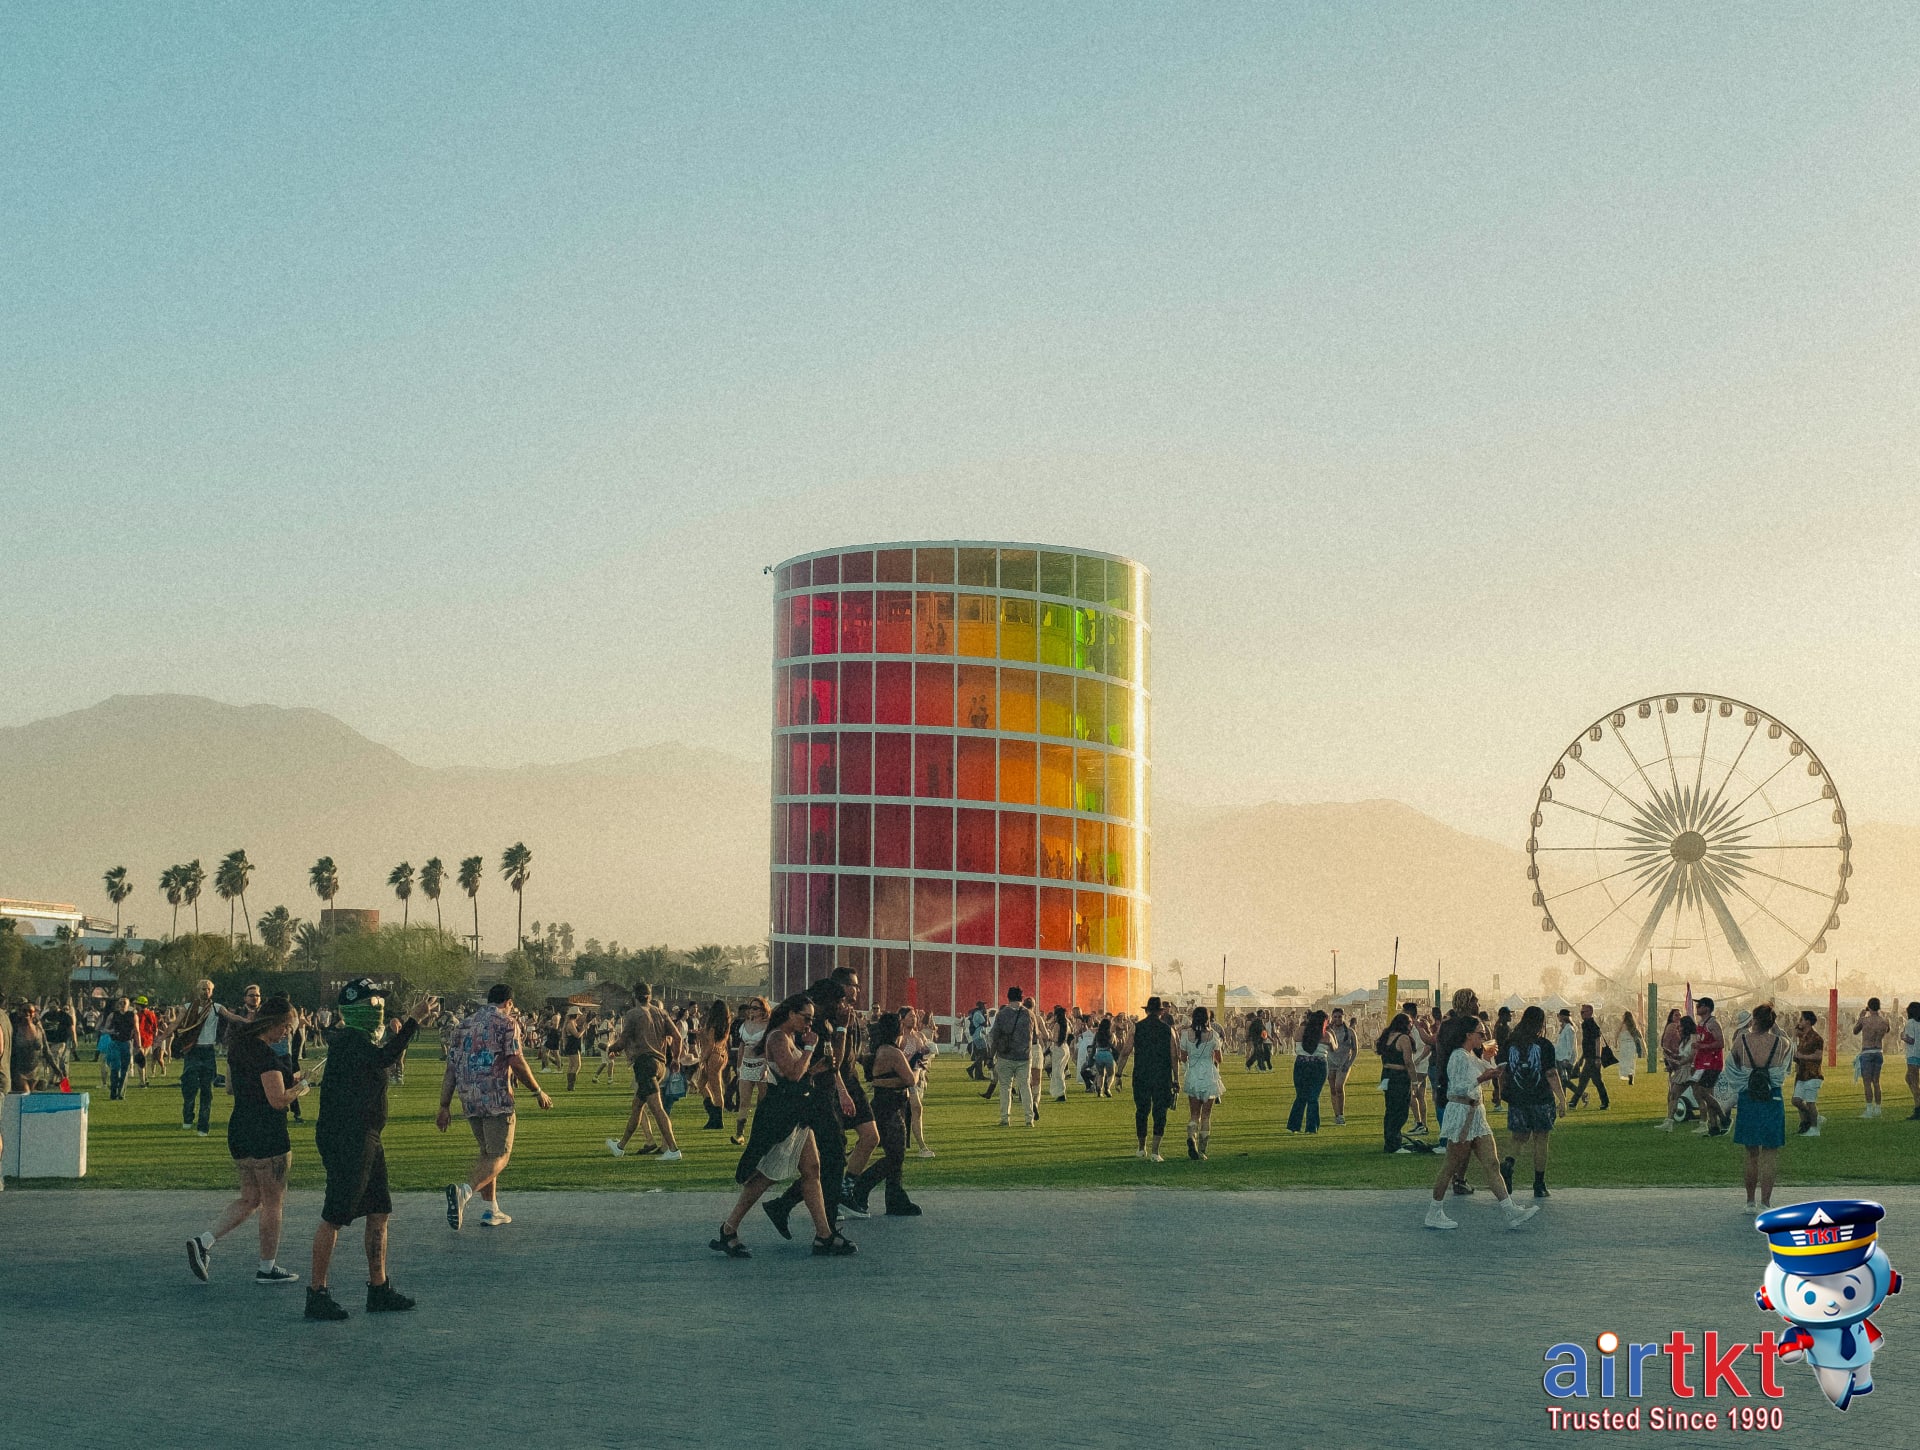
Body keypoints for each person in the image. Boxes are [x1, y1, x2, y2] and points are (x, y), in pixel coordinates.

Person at [304, 979, 437, 1322]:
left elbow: (384, 1057)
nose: (378, 1008)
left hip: (368, 1135)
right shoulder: (349, 1040)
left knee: (379, 1211)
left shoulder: (359, 1040)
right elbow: (385, 1058)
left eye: (380, 1002)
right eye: (372, 1002)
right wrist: (412, 1022)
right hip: (347, 1136)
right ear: (354, 1008)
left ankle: (378, 1289)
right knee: (334, 1215)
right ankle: (316, 1293)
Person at [709, 994, 853, 1258]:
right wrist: (810, 1049)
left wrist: (817, 1069)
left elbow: (798, 1075)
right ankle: (728, 1228)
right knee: (765, 1176)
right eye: (805, 1018)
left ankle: (824, 1235)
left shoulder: (787, 1038)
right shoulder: (777, 1037)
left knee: (812, 1169)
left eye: (811, 1019)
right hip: (781, 1115)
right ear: (790, 1014)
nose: (809, 1025)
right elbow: (792, 1073)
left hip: (796, 1112)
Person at [186, 995, 308, 1286]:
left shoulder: (238, 1048)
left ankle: (204, 1242)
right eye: (286, 1027)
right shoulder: (265, 1054)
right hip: (267, 1131)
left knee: (250, 1197)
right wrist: (300, 1089)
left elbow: (230, 1087)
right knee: (273, 1202)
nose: (287, 1033)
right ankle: (267, 1266)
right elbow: (277, 1100)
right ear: (275, 1023)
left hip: (239, 1128)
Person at [439, 983, 553, 1231]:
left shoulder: (463, 1025)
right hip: (496, 1096)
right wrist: (537, 1090)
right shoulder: (507, 1022)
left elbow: (450, 1068)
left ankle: (492, 1210)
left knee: (487, 1153)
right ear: (509, 1002)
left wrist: (444, 1105)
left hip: (469, 1097)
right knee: (501, 1155)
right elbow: (515, 1059)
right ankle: (465, 1192)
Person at [760, 977, 858, 1242]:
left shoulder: (820, 1023)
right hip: (810, 1099)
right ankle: (822, 1227)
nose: (843, 1006)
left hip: (818, 1095)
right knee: (830, 1159)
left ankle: (808, 1221)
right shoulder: (808, 1028)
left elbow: (833, 1063)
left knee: (818, 1164)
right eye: (840, 1001)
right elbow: (804, 1069)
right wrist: (840, 1030)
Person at [1424, 1017, 1540, 1231]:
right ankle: (1434, 1211)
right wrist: (1481, 1077)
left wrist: (1489, 1061)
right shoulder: (1458, 1056)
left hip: (1477, 1113)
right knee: (1451, 1164)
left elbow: (1487, 1074)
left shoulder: (1470, 1056)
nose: (1484, 1037)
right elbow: (1458, 1087)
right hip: (1462, 1113)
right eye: (1481, 1034)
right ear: (1469, 1035)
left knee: (1492, 1163)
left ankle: (1510, 1210)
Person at [846, 1012, 921, 1217]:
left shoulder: (881, 1049)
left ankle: (895, 1197)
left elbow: (881, 1079)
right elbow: (910, 1079)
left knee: (895, 1153)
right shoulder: (892, 1052)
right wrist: (918, 1066)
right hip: (890, 1106)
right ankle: (861, 1186)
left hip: (886, 1102)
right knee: (896, 1156)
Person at [606, 983, 684, 1161]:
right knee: (637, 1106)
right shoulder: (661, 1013)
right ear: (649, 996)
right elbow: (678, 1037)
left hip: (644, 1063)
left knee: (657, 1108)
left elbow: (623, 1041)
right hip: (660, 1064)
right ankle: (620, 1146)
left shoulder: (633, 1014)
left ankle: (673, 1149)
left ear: (634, 996)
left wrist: (611, 1048)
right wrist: (676, 1059)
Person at [1496, 1006, 1564, 1199]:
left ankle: (1509, 1162)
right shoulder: (1544, 1045)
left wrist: (1502, 1093)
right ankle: (1539, 1184)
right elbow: (1551, 1073)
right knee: (1541, 1140)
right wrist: (1562, 1098)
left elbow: (1503, 1073)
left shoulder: (1510, 1044)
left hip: (1518, 1099)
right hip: (1541, 1098)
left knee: (1518, 1138)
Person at [1727, 1003, 1789, 1213]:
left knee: (1751, 1153)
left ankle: (1750, 1201)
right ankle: (1766, 1202)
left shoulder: (1741, 1040)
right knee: (1770, 1152)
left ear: (1753, 1019)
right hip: (1772, 1097)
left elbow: (1733, 1064)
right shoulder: (1781, 1043)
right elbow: (1786, 1065)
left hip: (1749, 1096)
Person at [170, 980, 248, 1135]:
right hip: (192, 1051)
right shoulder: (187, 1007)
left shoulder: (216, 1008)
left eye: (208, 989)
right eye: (203, 989)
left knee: (207, 1090)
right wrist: (161, 1037)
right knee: (189, 1087)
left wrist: (250, 1022)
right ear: (197, 990)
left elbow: (232, 1017)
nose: (205, 991)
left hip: (208, 1052)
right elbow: (175, 1024)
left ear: (212, 991)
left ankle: (203, 1126)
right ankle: (188, 1115)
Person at [1132, 997, 1176, 1161]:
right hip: (1162, 1075)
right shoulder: (1168, 1030)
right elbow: (1174, 1055)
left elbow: (1125, 1051)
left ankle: (1141, 1147)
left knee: (1141, 1111)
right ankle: (1155, 1151)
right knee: (1160, 1112)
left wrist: (1119, 1073)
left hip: (1141, 1074)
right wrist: (1176, 1078)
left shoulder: (1136, 1028)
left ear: (1146, 1011)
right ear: (1160, 1012)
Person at [988, 986, 1039, 1128]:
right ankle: (1029, 1119)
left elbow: (994, 1036)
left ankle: (1005, 1118)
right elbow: (1035, 1036)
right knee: (1025, 1087)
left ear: (1008, 997)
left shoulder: (1002, 1014)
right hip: (1024, 1056)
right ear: (1021, 998)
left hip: (1005, 1056)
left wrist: (990, 1057)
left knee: (1005, 1087)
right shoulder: (1029, 1014)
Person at [1178, 1005, 1224, 1160]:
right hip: (1209, 1074)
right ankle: (1202, 1150)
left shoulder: (1186, 1034)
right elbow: (1219, 1059)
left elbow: (1183, 1057)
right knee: (1206, 1116)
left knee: (1194, 1114)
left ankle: (1192, 1137)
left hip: (1193, 1072)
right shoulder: (1214, 1035)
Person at [1376, 1011, 1423, 1154]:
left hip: (1386, 1074)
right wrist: (1414, 1081)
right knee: (1401, 1110)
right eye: (1410, 1023)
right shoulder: (1403, 1039)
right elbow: (1408, 1062)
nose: (1411, 1026)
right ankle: (1394, 1143)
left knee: (1390, 1109)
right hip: (1399, 1076)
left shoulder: (1386, 1036)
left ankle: (1390, 1141)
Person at [732, 996, 771, 1145]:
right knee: (744, 1101)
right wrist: (739, 1066)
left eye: (755, 1008)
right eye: (750, 1008)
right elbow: (742, 1046)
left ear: (763, 1010)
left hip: (761, 1064)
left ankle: (762, 1133)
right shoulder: (745, 1024)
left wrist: (767, 1066)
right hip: (746, 1065)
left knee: (762, 1102)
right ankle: (739, 1134)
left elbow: (769, 1047)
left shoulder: (768, 1026)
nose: (752, 1011)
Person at [901, 1006, 936, 1157]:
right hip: (904, 1078)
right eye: (909, 1016)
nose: (913, 1018)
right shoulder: (900, 1038)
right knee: (916, 1108)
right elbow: (900, 1059)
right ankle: (922, 1146)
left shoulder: (919, 1036)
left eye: (914, 1016)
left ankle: (907, 1143)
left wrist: (926, 1056)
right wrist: (915, 1056)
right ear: (901, 1019)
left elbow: (924, 1060)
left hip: (918, 1077)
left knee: (913, 1110)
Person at [1287, 1010, 1329, 1135]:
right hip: (1319, 1065)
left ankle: (1294, 1126)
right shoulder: (1326, 1034)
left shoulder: (1301, 1030)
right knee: (1313, 1097)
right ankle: (1311, 1127)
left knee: (1300, 1096)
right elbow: (1334, 1046)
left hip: (1301, 1064)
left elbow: (1295, 1039)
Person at [1692, 998, 1728, 1136]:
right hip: (1704, 1062)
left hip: (1713, 1063)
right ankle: (1714, 1127)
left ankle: (1724, 1118)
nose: (1697, 1007)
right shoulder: (1701, 1023)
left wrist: (1703, 1046)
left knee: (1702, 1092)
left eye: (1699, 1005)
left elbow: (1721, 1043)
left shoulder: (1713, 1024)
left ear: (1706, 1008)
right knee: (1708, 1095)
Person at [1565, 1003, 1611, 1111]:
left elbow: (1597, 1041)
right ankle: (1574, 1102)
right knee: (1586, 1080)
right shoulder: (1586, 1024)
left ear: (1590, 1012)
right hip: (1589, 1057)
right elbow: (1586, 1043)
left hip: (1593, 1058)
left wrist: (1598, 1057)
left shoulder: (1591, 1024)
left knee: (1594, 1081)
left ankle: (1604, 1102)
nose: (1581, 1014)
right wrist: (1582, 1058)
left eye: (1583, 1012)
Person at [695, 999, 730, 1132]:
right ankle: (713, 1115)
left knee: (715, 1088)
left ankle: (717, 1118)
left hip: (713, 1055)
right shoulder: (725, 1023)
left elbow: (710, 1043)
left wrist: (703, 1058)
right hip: (721, 1053)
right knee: (701, 1084)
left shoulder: (713, 1024)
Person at [1854, 999, 1890, 1118]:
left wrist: (1860, 1016)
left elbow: (1855, 1031)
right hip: (1878, 1051)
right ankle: (1878, 1108)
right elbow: (1888, 1030)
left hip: (1867, 1051)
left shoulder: (1865, 1021)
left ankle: (1869, 1109)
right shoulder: (1884, 1021)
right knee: (1876, 1081)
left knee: (1867, 1082)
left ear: (1869, 1007)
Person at [1792, 1010, 1825, 1137]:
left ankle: (1814, 1128)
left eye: (1802, 1019)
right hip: (1802, 1074)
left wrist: (1802, 1056)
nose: (1799, 1021)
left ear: (1808, 1022)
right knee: (1796, 1100)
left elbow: (1818, 1056)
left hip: (1812, 1074)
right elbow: (1794, 1032)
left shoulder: (1816, 1038)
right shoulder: (1802, 1037)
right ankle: (1814, 1117)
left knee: (1811, 1102)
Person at [101, 995, 137, 1100]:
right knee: (115, 1067)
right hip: (115, 1043)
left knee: (125, 1069)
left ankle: (121, 1093)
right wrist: (111, 1031)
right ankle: (113, 1092)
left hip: (127, 1043)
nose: (121, 1005)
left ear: (128, 1005)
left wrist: (138, 1046)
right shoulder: (113, 1015)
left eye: (124, 1003)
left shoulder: (132, 1015)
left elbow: (137, 1031)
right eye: (120, 1003)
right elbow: (105, 1029)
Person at [1325, 1008, 1356, 1125]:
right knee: (1332, 1088)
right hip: (1330, 1062)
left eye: (1339, 1016)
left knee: (1339, 1086)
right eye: (1335, 1017)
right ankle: (1336, 1114)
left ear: (1344, 1017)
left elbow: (1355, 1049)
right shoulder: (1328, 1030)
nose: (1337, 1019)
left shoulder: (1350, 1032)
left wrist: (1349, 1063)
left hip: (1344, 1063)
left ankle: (1341, 1113)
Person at [1615, 1010, 1643, 1087]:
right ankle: (1631, 1074)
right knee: (1631, 1061)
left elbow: (1617, 1033)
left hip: (1624, 1044)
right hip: (1631, 1045)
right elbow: (1640, 1036)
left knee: (1624, 1060)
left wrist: (1615, 1043)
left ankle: (1625, 1073)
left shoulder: (1622, 1025)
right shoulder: (1633, 1026)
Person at [1902, 1002, 1920, 1121]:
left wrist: (1903, 1036)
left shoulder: (1910, 1023)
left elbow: (1911, 1040)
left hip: (1913, 1054)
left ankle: (1918, 1108)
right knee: (1909, 1078)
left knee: (1913, 1082)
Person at [1091, 1016, 1117, 1097]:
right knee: (1111, 1074)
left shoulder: (1097, 1034)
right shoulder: (1111, 1034)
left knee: (1100, 1074)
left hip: (1099, 1053)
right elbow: (1114, 1045)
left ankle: (1099, 1089)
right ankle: (1107, 1088)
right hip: (1108, 1053)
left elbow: (1093, 1045)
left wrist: (1091, 1056)